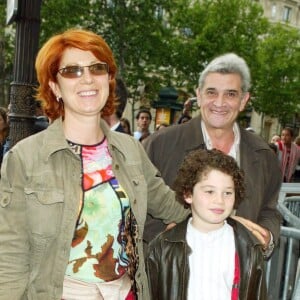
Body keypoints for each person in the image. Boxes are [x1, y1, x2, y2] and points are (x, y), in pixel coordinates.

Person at [0, 28, 189, 300]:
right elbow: (10, 256)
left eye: (96, 68)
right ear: (55, 86)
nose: (87, 78)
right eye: (72, 71)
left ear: (108, 78)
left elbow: (174, 208)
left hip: (125, 293)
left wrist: (229, 216)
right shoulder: (26, 158)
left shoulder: (131, 151)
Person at [143, 53, 282, 257]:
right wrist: (164, 236)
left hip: (236, 279)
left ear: (244, 101)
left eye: (231, 94)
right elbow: (134, 205)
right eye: (211, 92)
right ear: (198, 96)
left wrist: (267, 237)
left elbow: (270, 210)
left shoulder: (262, 155)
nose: (220, 102)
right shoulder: (160, 145)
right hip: (170, 278)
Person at [146, 149, 267, 300]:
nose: (220, 201)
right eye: (210, 191)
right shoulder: (162, 247)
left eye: (227, 193)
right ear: (188, 194)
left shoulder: (248, 246)